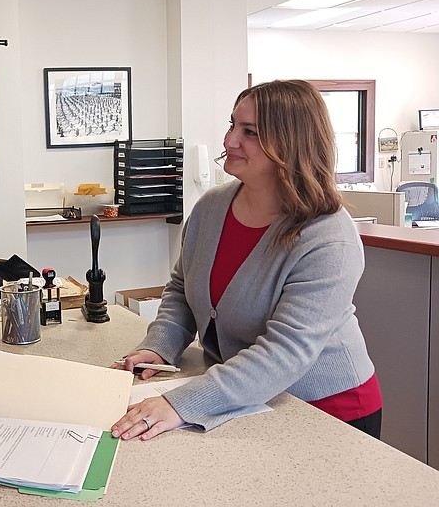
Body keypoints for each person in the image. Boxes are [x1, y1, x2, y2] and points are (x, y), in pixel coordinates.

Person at [111, 80, 382, 441]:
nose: (229, 141)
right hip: (245, 397)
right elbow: (182, 287)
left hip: (327, 411)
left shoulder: (327, 236)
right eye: (232, 124)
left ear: (290, 144)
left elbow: (286, 352)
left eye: (249, 132)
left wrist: (179, 404)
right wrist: (158, 346)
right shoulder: (211, 207)